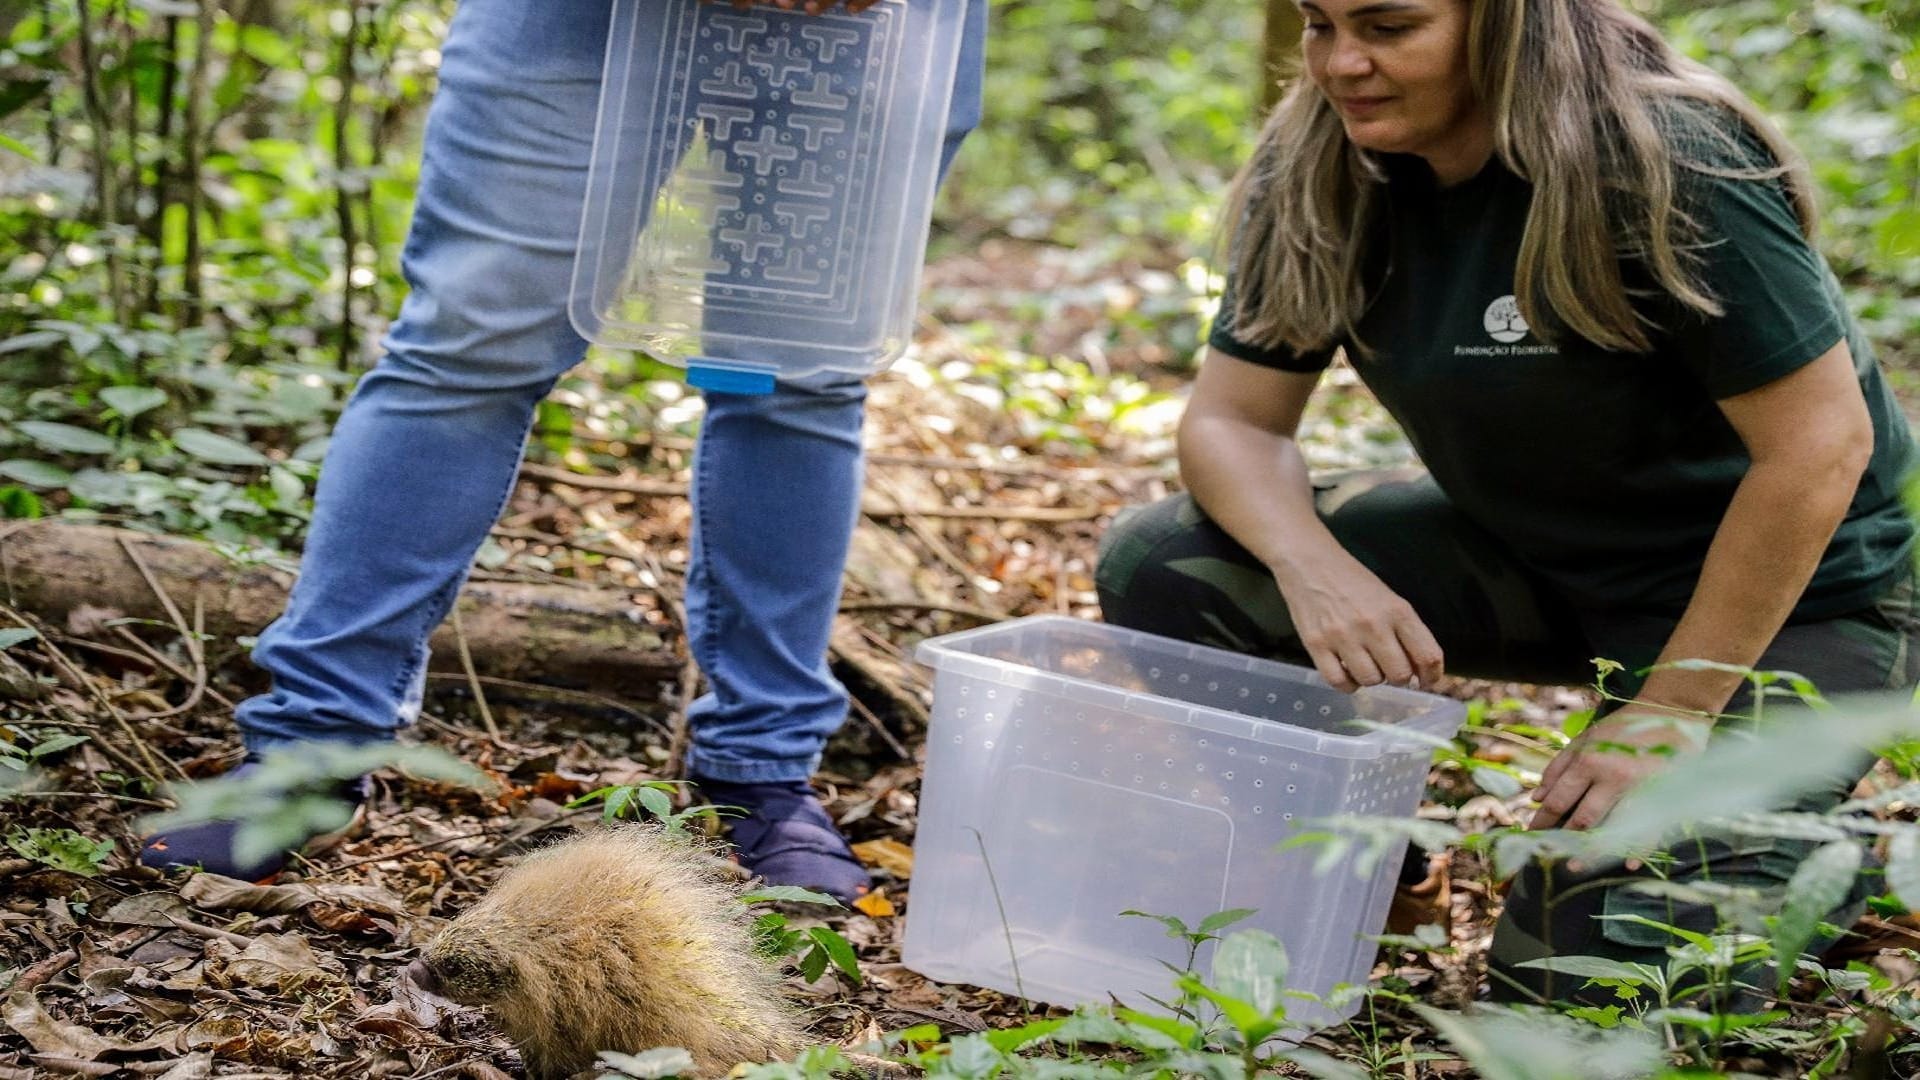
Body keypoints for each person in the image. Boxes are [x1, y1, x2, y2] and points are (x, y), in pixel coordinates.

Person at [1094, 0, 1917, 1006]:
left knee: (1570, 991)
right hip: (1540, 557)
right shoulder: (1324, 156)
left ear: (1504, 23)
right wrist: (1316, 568)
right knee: (1169, 562)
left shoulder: (1663, 154)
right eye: (1318, 25)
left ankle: (1821, 861)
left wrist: (1668, 709)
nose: (1341, 63)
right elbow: (1233, 422)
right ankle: (1357, 879)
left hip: (1796, 600)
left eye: (1389, 27)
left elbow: (1821, 449)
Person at [138, 0, 987, 904]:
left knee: (795, 376)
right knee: (467, 345)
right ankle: (310, 751)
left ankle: (760, 771)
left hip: (868, 22)